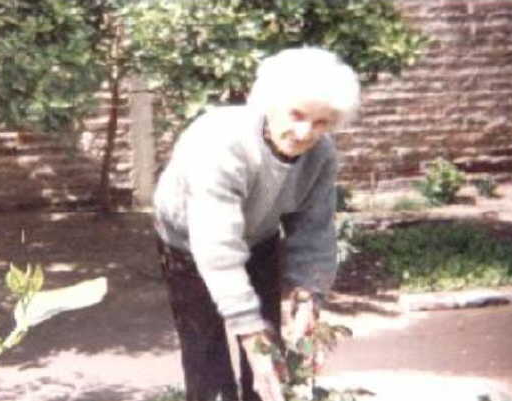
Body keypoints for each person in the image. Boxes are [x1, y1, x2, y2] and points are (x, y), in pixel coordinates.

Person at [153, 47, 360, 401]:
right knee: (207, 354)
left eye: (321, 122)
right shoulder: (222, 146)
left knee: (269, 353)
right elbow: (217, 248)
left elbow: (314, 228)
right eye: (296, 114)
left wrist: (307, 293)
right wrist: (247, 330)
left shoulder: (320, 154)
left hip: (259, 235)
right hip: (188, 242)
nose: (304, 132)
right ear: (270, 103)